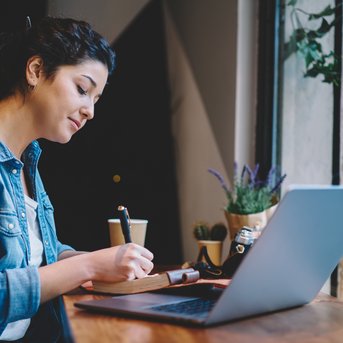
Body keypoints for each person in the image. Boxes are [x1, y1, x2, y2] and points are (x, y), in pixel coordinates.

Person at [0, 16, 154, 342]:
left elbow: (37, 253)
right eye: (83, 90)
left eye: (96, 100)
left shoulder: (27, 161)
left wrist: (92, 260)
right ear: (36, 70)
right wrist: (89, 268)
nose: (90, 112)